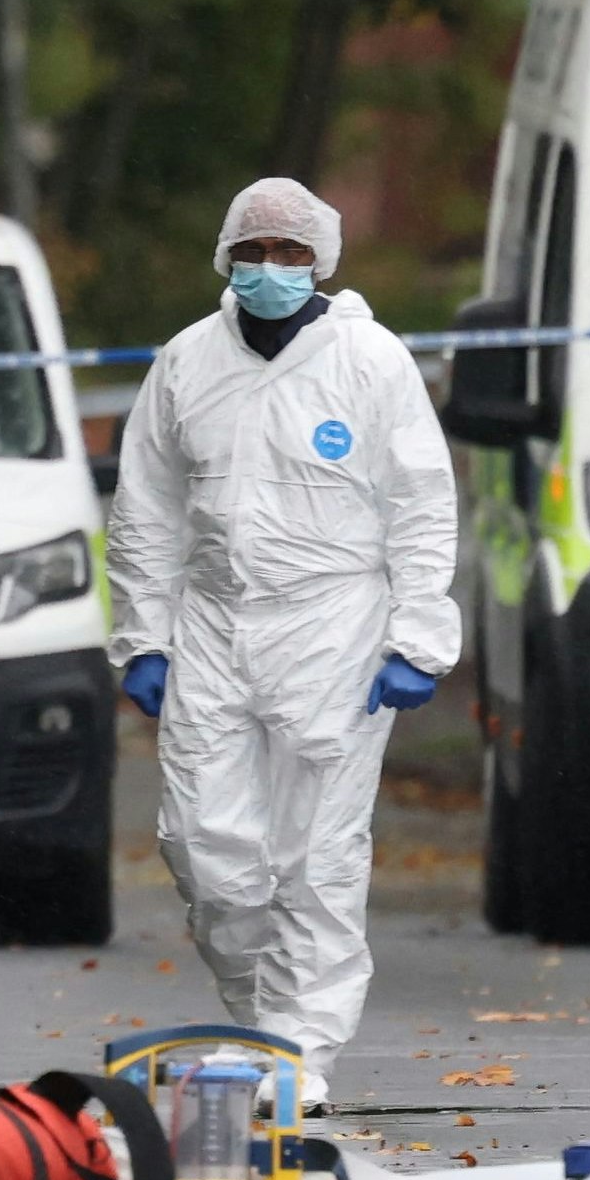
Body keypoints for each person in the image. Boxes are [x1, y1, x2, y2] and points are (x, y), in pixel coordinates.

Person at [104, 177, 457, 1113]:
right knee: (203, 851)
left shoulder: (372, 363)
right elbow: (145, 509)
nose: (271, 268)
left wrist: (418, 636)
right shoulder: (186, 362)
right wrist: (143, 635)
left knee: (317, 856)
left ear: (323, 262)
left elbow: (421, 504)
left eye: (291, 252)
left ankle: (301, 1057)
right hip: (215, 626)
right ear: (225, 255)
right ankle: (259, 1022)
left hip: (335, 627)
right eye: (254, 250)